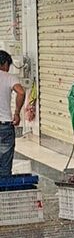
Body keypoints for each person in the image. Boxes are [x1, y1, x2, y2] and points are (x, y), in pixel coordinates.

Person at [0, 50, 26, 178]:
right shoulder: (9, 78)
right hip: (5, 125)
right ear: (4, 63)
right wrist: (17, 113)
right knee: (5, 166)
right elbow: (21, 92)